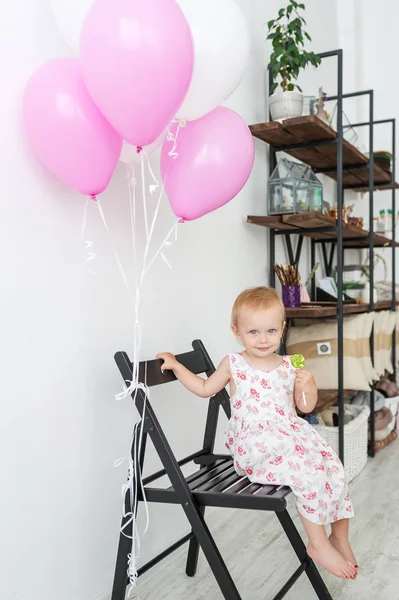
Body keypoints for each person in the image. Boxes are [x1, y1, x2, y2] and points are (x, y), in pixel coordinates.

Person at [157, 287, 357, 580]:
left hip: (290, 434)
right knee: (307, 471)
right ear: (237, 331)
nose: (263, 339)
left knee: (332, 464)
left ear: (282, 329)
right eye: (253, 332)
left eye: (271, 331)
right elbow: (203, 389)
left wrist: (308, 383)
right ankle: (317, 542)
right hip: (257, 445)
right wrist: (176, 366)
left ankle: (339, 535)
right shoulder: (233, 363)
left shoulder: (294, 362)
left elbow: (306, 407)